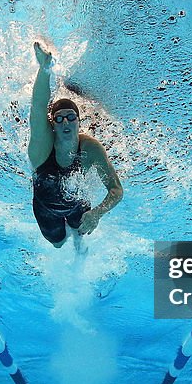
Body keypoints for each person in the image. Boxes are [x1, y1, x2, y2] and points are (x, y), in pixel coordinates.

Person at [27, 41, 123, 248]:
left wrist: (97, 213)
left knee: (81, 236)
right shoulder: (43, 149)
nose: (65, 122)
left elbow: (116, 190)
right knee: (58, 243)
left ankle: (78, 246)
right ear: (52, 124)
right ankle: (65, 239)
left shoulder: (91, 148)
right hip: (45, 208)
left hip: (77, 205)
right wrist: (44, 70)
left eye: (71, 117)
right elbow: (37, 108)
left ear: (79, 122)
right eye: (59, 119)